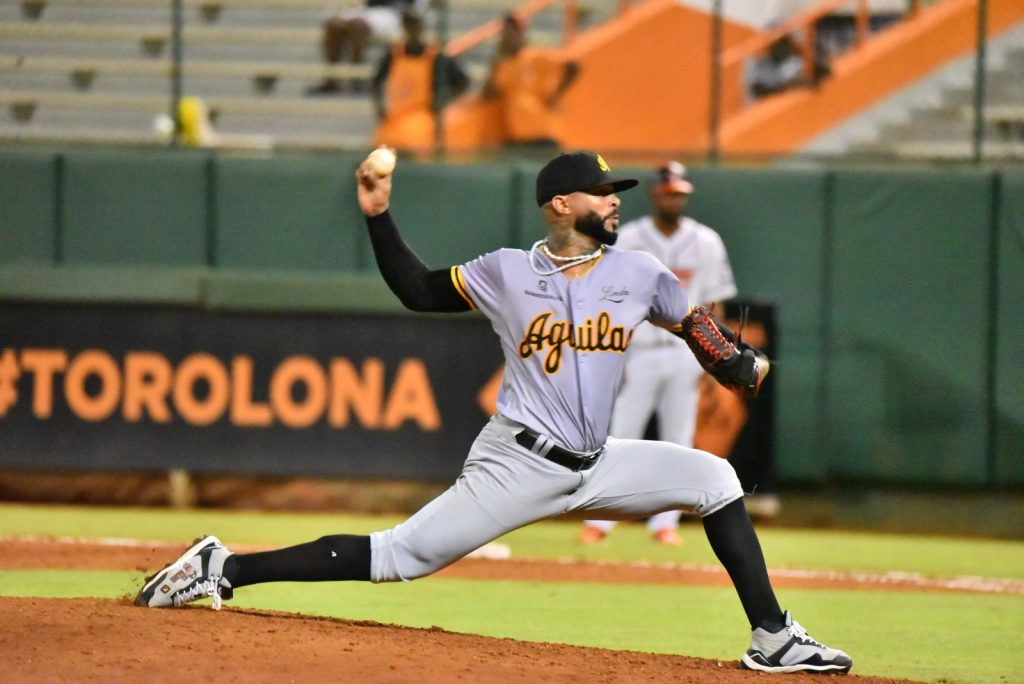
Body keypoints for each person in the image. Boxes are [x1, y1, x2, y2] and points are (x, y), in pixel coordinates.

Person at [134, 149, 853, 676]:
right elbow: (418, 289)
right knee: (401, 557)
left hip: (598, 461)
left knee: (716, 479)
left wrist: (734, 362)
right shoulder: (507, 271)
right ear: (560, 205)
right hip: (518, 460)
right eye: (602, 192)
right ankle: (224, 567)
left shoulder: (640, 273)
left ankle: (773, 637)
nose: (615, 202)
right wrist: (379, 214)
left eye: (615, 192)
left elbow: (693, 322)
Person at [578, 161, 737, 547]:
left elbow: (716, 303)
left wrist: (716, 359)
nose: (675, 199)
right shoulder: (629, 236)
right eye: (668, 192)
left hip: (686, 351)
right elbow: (606, 298)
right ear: (654, 194)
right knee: (619, 435)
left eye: (680, 193)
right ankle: (601, 521)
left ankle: (665, 524)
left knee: (678, 441)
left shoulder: (707, 240)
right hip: (639, 349)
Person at [371, 9, 469, 152]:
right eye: (409, 25)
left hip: (423, 118)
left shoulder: (435, 56)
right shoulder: (394, 54)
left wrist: (442, 100)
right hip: (395, 118)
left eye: (415, 25)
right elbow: (376, 81)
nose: (413, 30)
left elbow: (462, 83)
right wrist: (380, 108)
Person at [481, 13, 579, 146]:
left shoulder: (535, 56)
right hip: (518, 137)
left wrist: (557, 94)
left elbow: (572, 65)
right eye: (506, 33)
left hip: (543, 134)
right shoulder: (504, 65)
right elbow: (487, 95)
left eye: (513, 32)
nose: (509, 37)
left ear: (521, 33)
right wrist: (495, 62)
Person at [306, 0, 426, 95]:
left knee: (358, 25)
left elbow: (418, 6)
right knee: (334, 24)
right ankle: (331, 79)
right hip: (367, 10)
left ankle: (356, 77)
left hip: (394, 13)